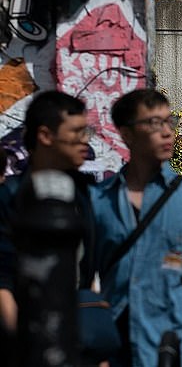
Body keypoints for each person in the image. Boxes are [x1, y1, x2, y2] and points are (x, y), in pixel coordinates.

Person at [90, 89, 182, 367]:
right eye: (153, 123)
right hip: (113, 350)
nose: (166, 132)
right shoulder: (98, 200)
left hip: (175, 349)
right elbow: (82, 280)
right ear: (126, 134)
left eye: (168, 122)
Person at [0, 91, 96, 342]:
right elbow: (3, 277)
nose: (85, 141)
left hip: (78, 334)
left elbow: (90, 270)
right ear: (45, 136)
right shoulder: (10, 197)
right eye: (76, 133)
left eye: (87, 132)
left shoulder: (86, 195)